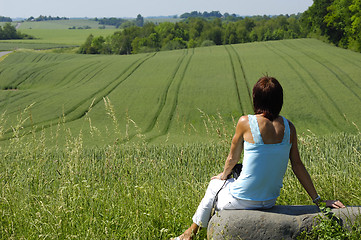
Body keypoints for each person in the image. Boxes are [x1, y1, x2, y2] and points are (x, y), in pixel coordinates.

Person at [172, 76, 345, 240]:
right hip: (269, 200)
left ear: (256, 99)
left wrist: (223, 176)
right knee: (229, 182)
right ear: (279, 100)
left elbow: (232, 158)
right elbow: (297, 165)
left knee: (214, 185)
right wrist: (318, 201)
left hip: (241, 200)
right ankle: (191, 233)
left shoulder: (245, 122)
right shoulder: (289, 127)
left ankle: (190, 233)